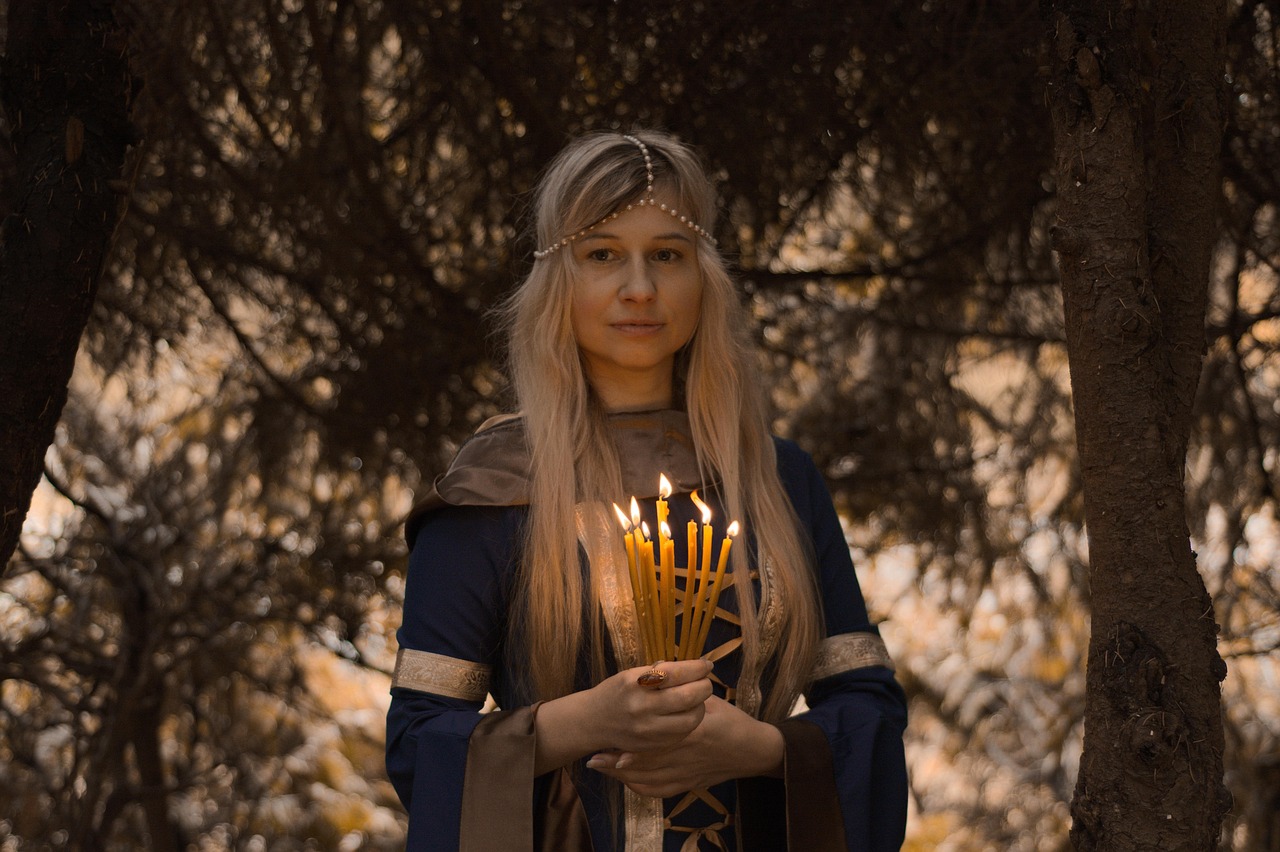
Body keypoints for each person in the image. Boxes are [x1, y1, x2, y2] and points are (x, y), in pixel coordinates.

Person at [385, 130, 908, 851]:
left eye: (668, 254)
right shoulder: (495, 490)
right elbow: (419, 743)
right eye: (602, 255)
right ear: (556, 280)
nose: (639, 288)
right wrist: (584, 724)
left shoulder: (778, 481)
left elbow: (868, 707)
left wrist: (759, 750)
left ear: (704, 279)